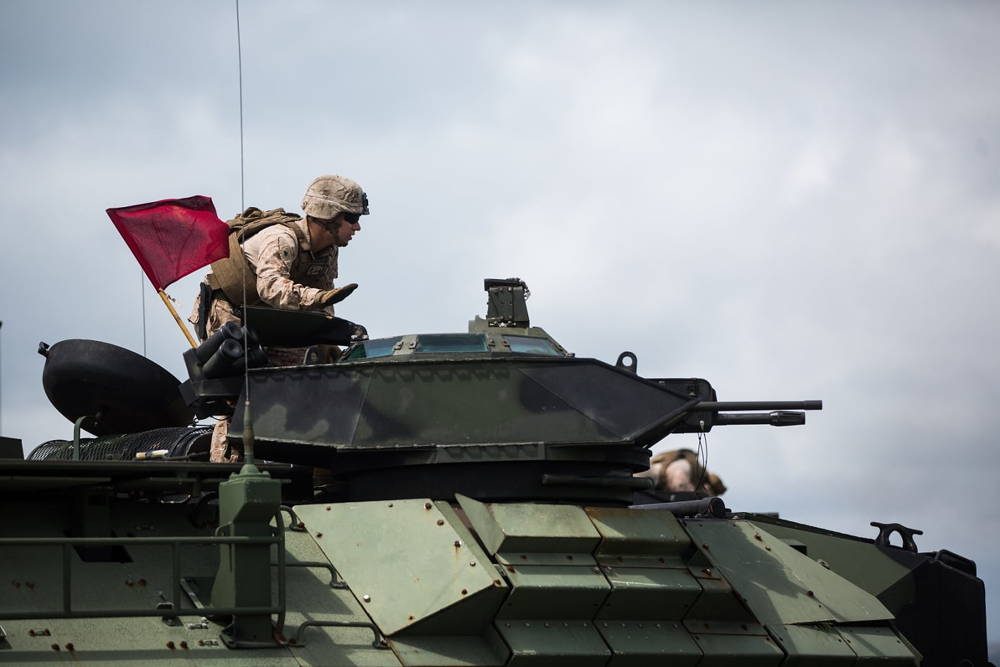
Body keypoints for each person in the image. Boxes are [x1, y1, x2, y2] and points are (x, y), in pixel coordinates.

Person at [189, 174, 370, 462]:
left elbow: (322, 299)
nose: (357, 227)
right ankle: (226, 468)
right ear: (329, 216)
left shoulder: (327, 251)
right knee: (239, 395)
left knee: (295, 381)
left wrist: (329, 339)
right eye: (351, 218)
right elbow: (271, 288)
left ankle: (283, 459)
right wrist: (316, 299)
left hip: (270, 318)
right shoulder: (282, 239)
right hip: (229, 314)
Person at [636, 448, 727, 496]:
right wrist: (690, 493)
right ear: (708, 487)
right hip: (655, 474)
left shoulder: (693, 466)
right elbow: (679, 479)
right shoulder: (693, 464)